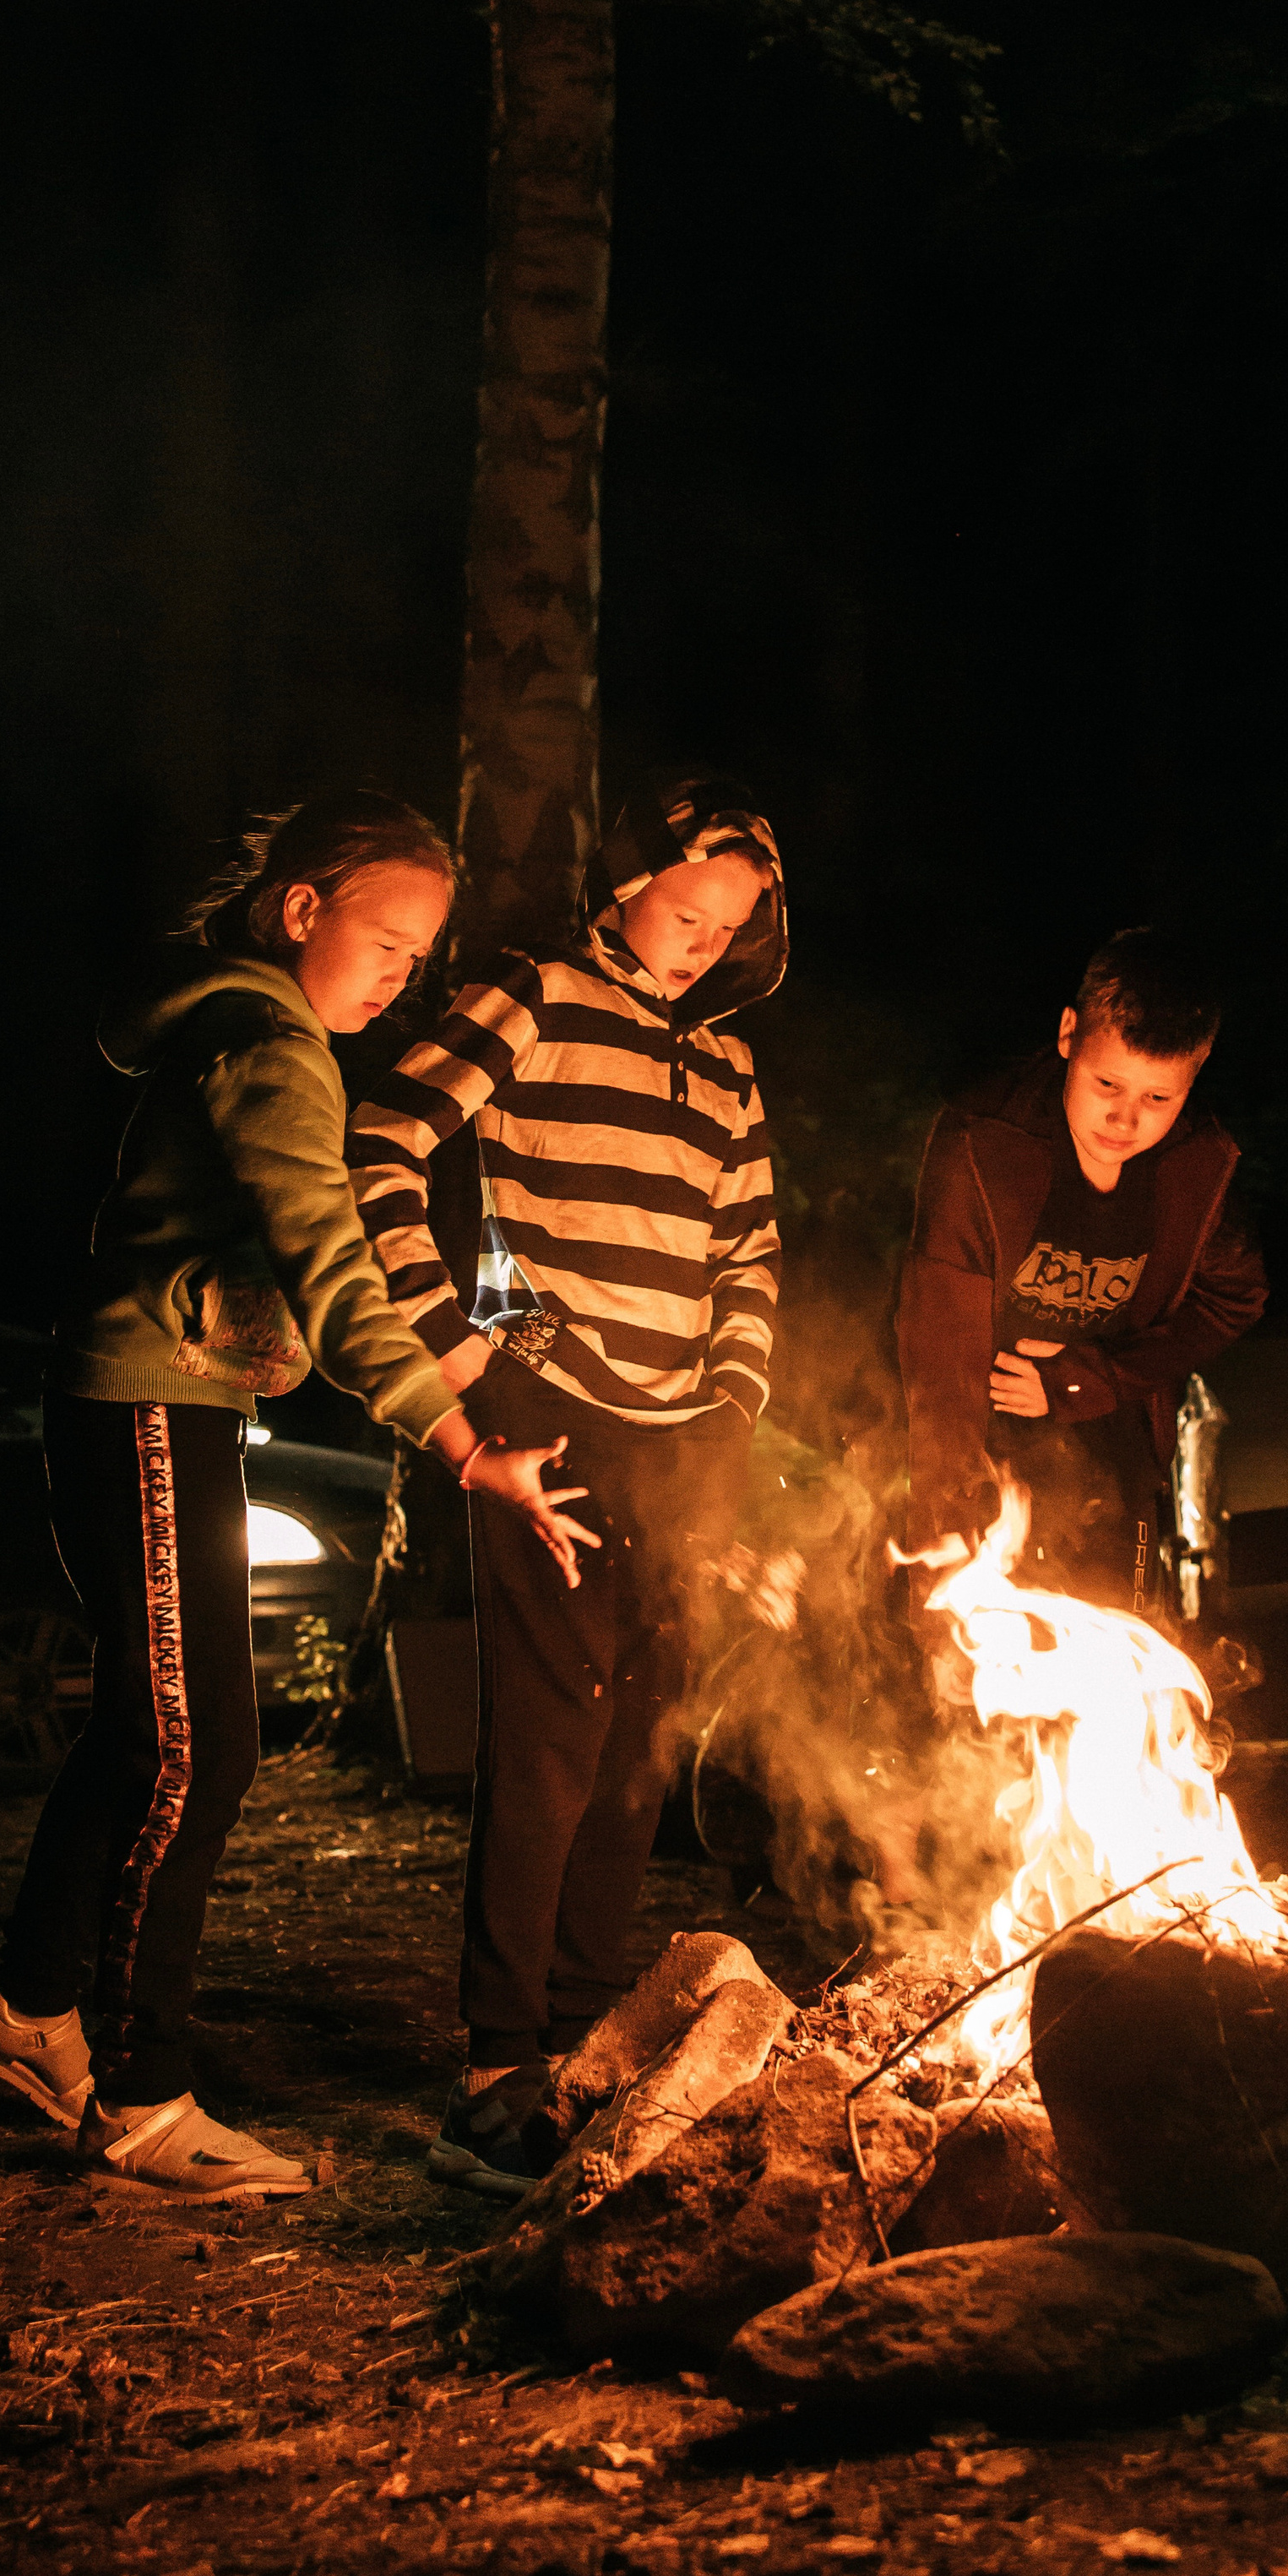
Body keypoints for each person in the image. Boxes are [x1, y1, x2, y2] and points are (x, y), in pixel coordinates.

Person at [0, 793, 590, 2202]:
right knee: (199, 1748)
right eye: (386, 939)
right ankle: (141, 2091)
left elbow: (276, 1265)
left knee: (142, 1729)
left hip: (163, 1397)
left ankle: (23, 2011)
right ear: (305, 909)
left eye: (421, 958)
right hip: (148, 1401)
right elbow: (331, 1256)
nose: (399, 975)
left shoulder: (241, 1030)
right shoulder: (270, 1042)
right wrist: (460, 1440)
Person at [348, 771, 783, 2197]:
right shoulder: (530, 995)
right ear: (626, 888)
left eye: (726, 930)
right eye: (684, 912)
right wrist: (463, 1355)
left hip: (682, 1439)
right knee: (547, 1733)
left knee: (641, 1745)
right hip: (552, 1407)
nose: (699, 944)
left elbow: (751, 1258)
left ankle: (587, 2044)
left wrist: (733, 1405)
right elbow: (384, 1144)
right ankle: (493, 2066)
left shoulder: (725, 1066)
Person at [899, 928, 1266, 1618]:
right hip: (984, 1454)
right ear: (1070, 1033)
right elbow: (937, 1344)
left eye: (1159, 1099)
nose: (1125, 1119)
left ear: (1195, 1073)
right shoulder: (985, 1144)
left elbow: (1234, 1299)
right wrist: (944, 1515)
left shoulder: (1197, 1166)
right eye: (1108, 1084)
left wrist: (1087, 1379)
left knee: (1114, 1657)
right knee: (979, 1678)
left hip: (1115, 1459)